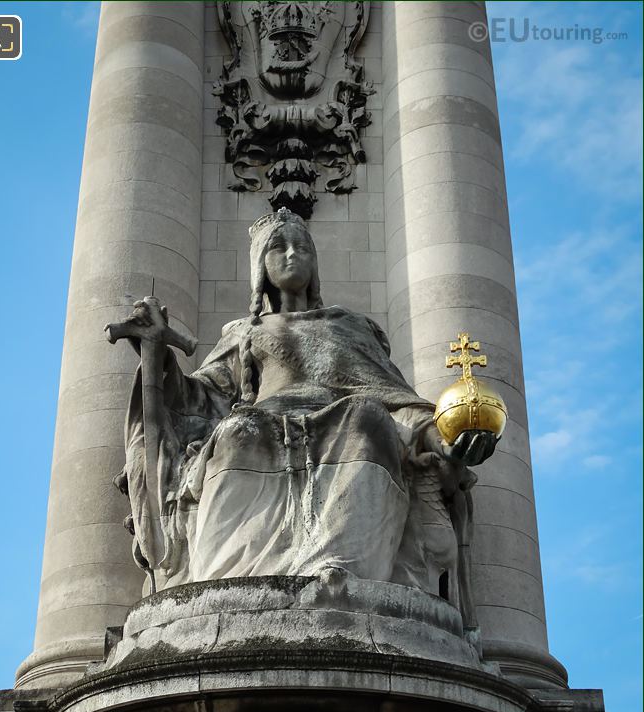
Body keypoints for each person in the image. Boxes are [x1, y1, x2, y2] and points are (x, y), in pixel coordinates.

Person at [117, 208, 496, 619]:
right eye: (278, 247)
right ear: (260, 265)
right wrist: (158, 356)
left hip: (341, 421)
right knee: (237, 431)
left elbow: (396, 402)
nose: (292, 254)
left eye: (302, 247)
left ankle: (339, 572)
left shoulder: (350, 327)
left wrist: (442, 440)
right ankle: (230, 579)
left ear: (316, 263)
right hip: (261, 426)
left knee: (369, 417)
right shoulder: (242, 334)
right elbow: (200, 400)